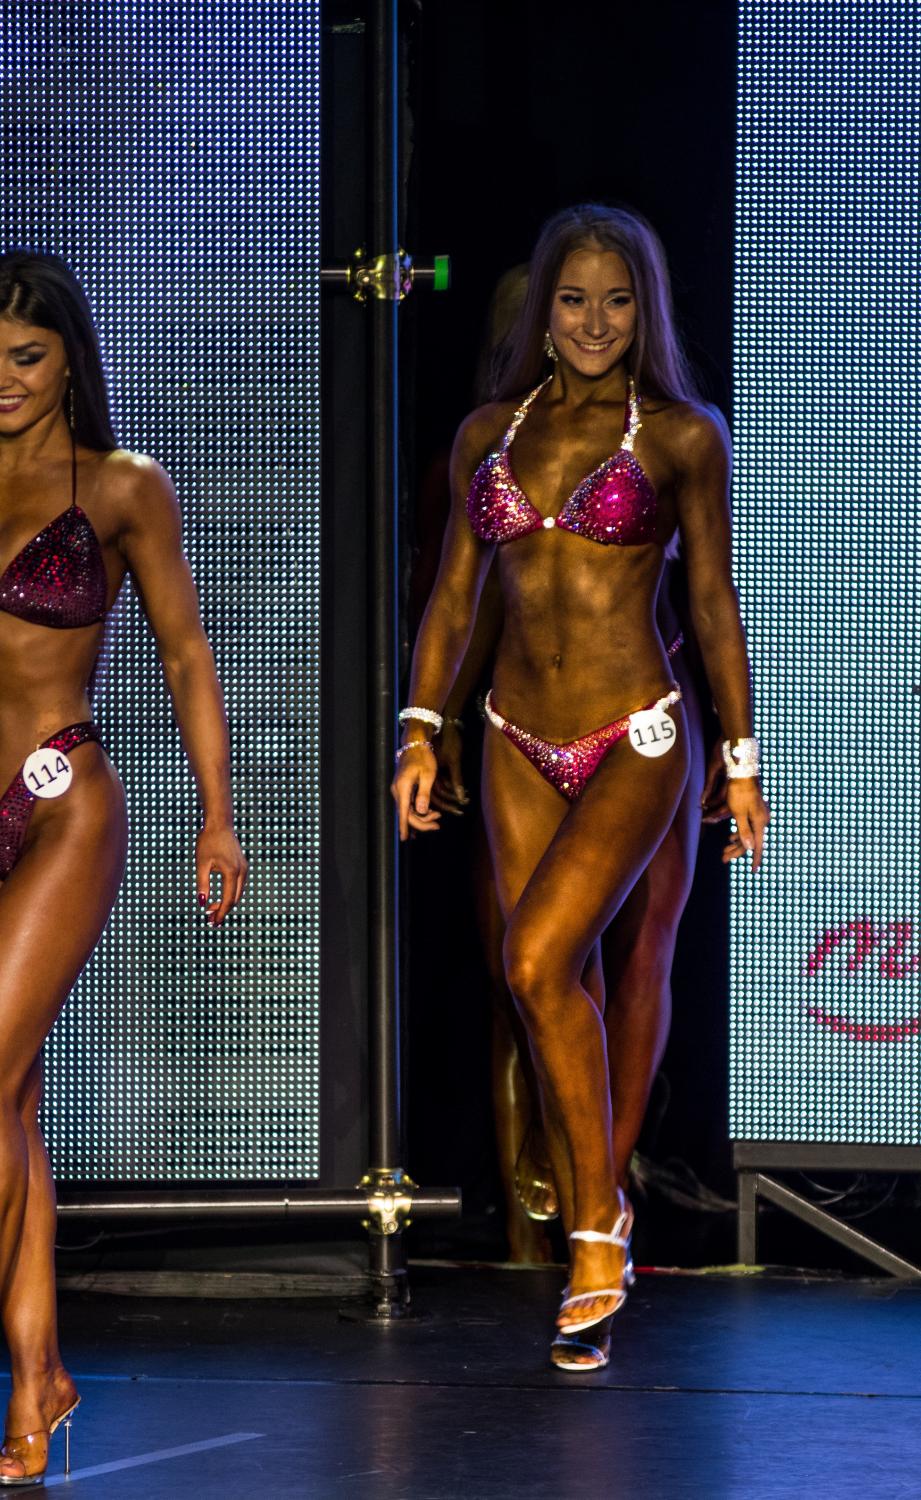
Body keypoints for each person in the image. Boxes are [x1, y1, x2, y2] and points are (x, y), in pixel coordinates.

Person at [392, 204, 769, 1371]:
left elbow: (711, 602)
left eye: (617, 301)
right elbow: (455, 599)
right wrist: (420, 730)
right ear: (542, 311)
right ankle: (598, 1220)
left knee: (544, 960)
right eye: (573, 300)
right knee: (549, 981)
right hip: (513, 737)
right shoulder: (487, 434)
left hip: (638, 733)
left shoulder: (683, 436)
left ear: (643, 309)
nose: (595, 322)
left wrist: (742, 761)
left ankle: (596, 1226)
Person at [0, 252, 247, 1482]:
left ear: (68, 362)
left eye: (25, 356)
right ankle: (38, 1380)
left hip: (62, 802)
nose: (2, 380)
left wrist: (218, 815)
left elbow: (185, 650)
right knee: (10, 1107)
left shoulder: (120, 485)